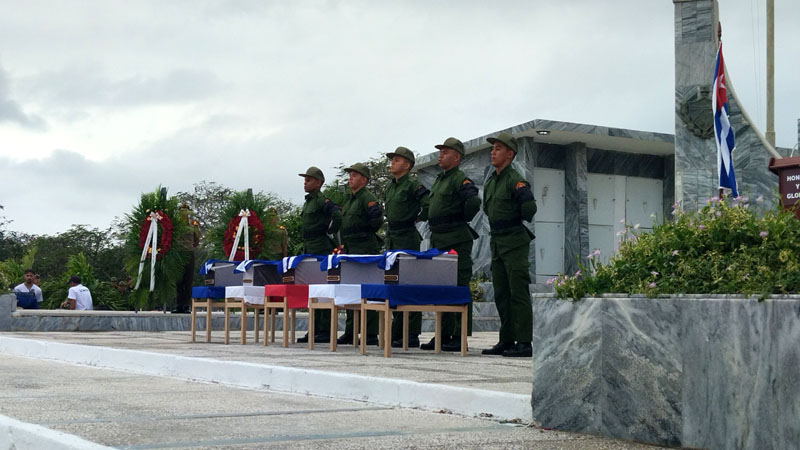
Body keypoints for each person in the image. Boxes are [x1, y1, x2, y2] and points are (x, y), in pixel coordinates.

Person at [420, 137, 481, 352]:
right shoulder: (440, 180)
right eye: (440, 152)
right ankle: (444, 334)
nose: (441, 155)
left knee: (457, 287)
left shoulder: (459, 179)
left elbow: (473, 201)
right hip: (439, 239)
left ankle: (458, 335)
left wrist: (459, 218)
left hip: (456, 239)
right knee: (442, 288)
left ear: (456, 157)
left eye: (445, 152)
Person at [481, 132, 537, 358]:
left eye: (498, 148)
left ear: (510, 154)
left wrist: (513, 220)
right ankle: (506, 339)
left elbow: (529, 208)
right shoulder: (492, 180)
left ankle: (524, 342)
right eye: (492, 149)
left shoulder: (516, 180)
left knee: (518, 293)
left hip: (514, 240)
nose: (493, 152)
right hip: (497, 240)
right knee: (502, 293)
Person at [383, 146, 429, 348]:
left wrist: (418, 217)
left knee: (410, 285)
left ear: (407, 165)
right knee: (394, 285)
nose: (393, 162)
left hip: (408, 238)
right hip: (393, 238)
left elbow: (427, 203)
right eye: (392, 159)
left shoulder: (412, 185)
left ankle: (411, 333)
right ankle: (397, 331)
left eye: (397, 160)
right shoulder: (391, 187)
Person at [296, 166, 342, 344]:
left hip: (321, 248)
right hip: (309, 247)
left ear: (318, 182)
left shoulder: (323, 200)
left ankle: (324, 329)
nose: (305, 183)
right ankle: (314, 328)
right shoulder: (309, 201)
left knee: (323, 290)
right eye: (305, 180)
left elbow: (337, 217)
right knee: (313, 290)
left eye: (308, 180)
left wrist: (328, 232)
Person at [339, 162, 382, 346]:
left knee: (368, 291)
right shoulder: (350, 200)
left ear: (363, 179)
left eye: (354, 175)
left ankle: (370, 332)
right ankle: (351, 331)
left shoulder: (368, 198)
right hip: (350, 249)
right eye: (349, 175)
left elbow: (376, 222)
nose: (350, 178)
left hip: (364, 249)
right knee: (351, 290)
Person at [174, 203, 201, 314]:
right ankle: (178, 305)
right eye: (181, 211)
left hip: (189, 253)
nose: (183, 213)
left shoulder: (193, 225)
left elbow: (196, 240)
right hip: (178, 254)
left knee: (188, 280)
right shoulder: (175, 224)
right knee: (178, 281)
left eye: (185, 210)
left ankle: (186, 305)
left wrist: (189, 247)